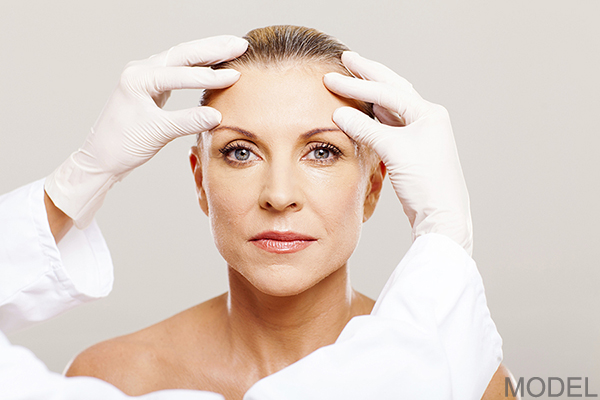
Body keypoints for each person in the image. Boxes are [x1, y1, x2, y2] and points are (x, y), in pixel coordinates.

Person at [55, 26, 510, 400]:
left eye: (322, 152)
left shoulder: (466, 374)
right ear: (200, 182)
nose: (279, 195)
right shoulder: (111, 380)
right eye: (240, 152)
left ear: (373, 186)